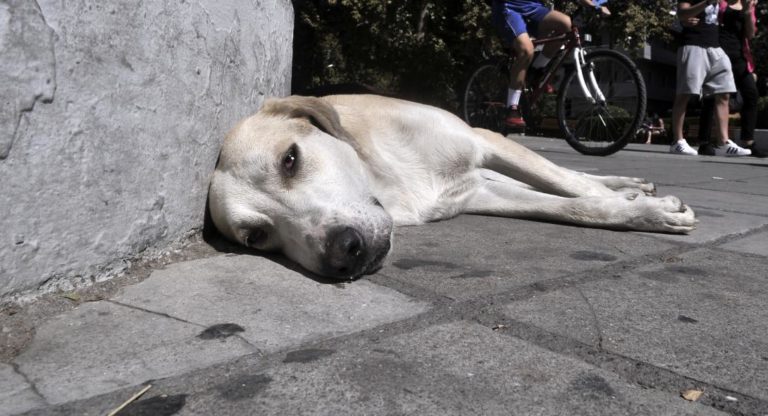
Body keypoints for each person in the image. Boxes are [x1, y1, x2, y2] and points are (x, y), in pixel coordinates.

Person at [490, 0, 611, 129]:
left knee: (566, 24)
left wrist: (595, 6)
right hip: (509, 7)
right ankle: (512, 108)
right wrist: (594, 6)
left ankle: (535, 72)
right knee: (526, 50)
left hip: (533, 7)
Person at [670, 0, 751, 157]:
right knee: (685, 94)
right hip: (693, 45)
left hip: (715, 47)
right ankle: (677, 141)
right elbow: (682, 13)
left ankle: (723, 142)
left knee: (724, 92)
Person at [696, 0, 761, 157]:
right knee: (712, 97)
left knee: (751, 95)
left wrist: (747, 11)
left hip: (739, 57)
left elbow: (750, 34)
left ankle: (748, 141)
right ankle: (704, 142)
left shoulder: (748, 5)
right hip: (718, 52)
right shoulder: (720, 3)